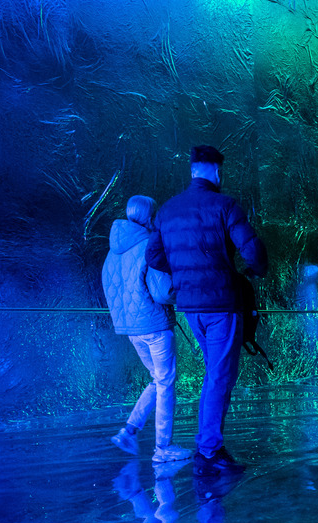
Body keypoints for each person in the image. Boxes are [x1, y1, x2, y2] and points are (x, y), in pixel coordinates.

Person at [146, 145, 268, 467]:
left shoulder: (168, 210)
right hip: (221, 304)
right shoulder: (225, 205)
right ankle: (210, 449)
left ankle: (209, 442)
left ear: (192, 171)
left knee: (216, 372)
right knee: (219, 376)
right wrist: (254, 270)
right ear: (216, 170)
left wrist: (184, 272)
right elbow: (253, 252)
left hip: (191, 308)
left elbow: (153, 256)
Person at [102, 195, 185, 462]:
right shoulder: (148, 245)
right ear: (149, 216)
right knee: (165, 383)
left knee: (157, 380)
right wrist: (183, 289)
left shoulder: (113, 252)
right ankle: (163, 448)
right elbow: (163, 292)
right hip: (155, 326)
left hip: (131, 330)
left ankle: (128, 430)